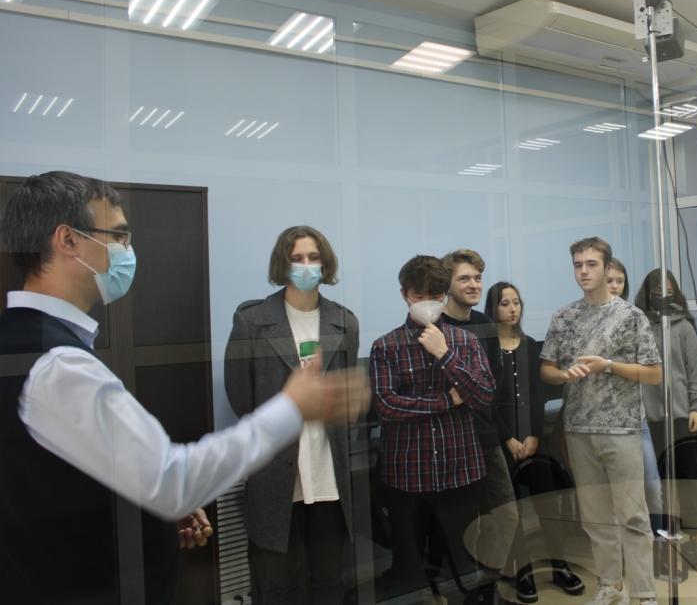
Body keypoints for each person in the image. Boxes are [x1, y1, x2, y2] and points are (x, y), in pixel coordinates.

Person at [0, 171, 365, 604]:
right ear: (68, 240)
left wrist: (148, 508)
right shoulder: (58, 364)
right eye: (117, 236)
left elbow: (64, 478)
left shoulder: (29, 345)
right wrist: (293, 407)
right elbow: (174, 478)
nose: (127, 251)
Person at [224, 225, 360, 604]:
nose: (306, 265)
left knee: (329, 581)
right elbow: (241, 396)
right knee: (277, 585)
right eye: (297, 258)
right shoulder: (252, 320)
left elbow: (346, 397)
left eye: (313, 257)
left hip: (327, 472)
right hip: (275, 472)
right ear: (282, 264)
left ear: (325, 263)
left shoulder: (344, 322)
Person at [540, 236, 662, 605]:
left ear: (607, 268)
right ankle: (611, 586)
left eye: (591, 264)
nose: (583, 271)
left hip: (621, 429)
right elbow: (546, 369)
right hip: (578, 430)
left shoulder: (631, 316)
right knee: (595, 518)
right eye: (578, 265)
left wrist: (608, 365)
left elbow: (654, 374)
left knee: (633, 517)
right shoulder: (563, 317)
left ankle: (645, 593)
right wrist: (563, 375)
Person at [369, 255, 495, 592]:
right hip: (407, 475)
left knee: (465, 566)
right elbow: (387, 405)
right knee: (409, 572)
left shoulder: (465, 342)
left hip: (461, 470)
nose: (428, 302)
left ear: (445, 294)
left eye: (436, 295)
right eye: (419, 295)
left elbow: (483, 395)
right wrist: (447, 401)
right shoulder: (385, 346)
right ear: (404, 295)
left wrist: (444, 354)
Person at [485, 281, 584, 603]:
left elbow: (538, 393)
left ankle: (559, 565)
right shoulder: (485, 348)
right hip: (501, 441)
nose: (512, 308)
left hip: (531, 439)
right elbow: (486, 400)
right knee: (510, 511)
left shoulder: (528, 345)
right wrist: (508, 439)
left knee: (547, 502)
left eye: (516, 302)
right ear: (493, 308)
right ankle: (522, 570)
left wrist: (534, 435)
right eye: (505, 303)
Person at [439, 249, 517, 602]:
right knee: (463, 524)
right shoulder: (435, 326)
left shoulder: (485, 323)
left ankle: (491, 582)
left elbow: (492, 384)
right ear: (447, 284)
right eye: (464, 278)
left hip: (485, 436)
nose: (473, 284)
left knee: (506, 514)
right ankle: (467, 590)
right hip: (451, 441)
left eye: (477, 278)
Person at [634, 269, 697, 570]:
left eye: (668, 290)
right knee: (658, 486)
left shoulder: (683, 327)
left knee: (689, 480)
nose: (663, 295)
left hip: (680, 415)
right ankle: (663, 540)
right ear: (648, 293)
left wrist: (696, 406)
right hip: (649, 419)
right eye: (657, 290)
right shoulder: (638, 324)